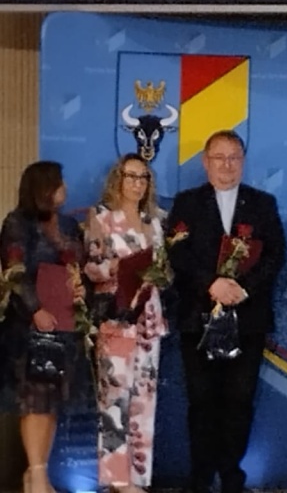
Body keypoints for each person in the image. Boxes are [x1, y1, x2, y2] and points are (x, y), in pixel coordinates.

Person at [167, 130, 287, 493]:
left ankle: (232, 476)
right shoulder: (187, 203)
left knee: (239, 400)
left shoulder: (262, 203)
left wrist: (242, 288)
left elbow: (275, 255)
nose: (226, 165)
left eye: (234, 157)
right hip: (198, 317)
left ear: (243, 162)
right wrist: (211, 284)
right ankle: (201, 478)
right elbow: (177, 254)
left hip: (246, 319)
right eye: (219, 157)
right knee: (201, 400)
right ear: (205, 162)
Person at [83, 155, 168, 493]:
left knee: (144, 399)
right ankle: (117, 479)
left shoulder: (155, 221)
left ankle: (139, 478)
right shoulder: (102, 217)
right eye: (131, 176)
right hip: (116, 319)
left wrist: (160, 275)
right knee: (114, 398)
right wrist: (115, 267)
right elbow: (91, 268)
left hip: (149, 320)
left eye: (143, 177)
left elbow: (164, 269)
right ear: (117, 179)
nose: (137, 184)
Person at [0, 161, 86, 493]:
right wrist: (35, 309)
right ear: (43, 187)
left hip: (63, 325)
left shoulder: (68, 224)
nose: (65, 188)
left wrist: (78, 289)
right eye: (59, 183)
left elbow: (77, 267)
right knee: (33, 401)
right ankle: (35, 474)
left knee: (51, 403)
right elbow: (14, 272)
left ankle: (39, 473)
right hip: (29, 327)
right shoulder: (17, 222)